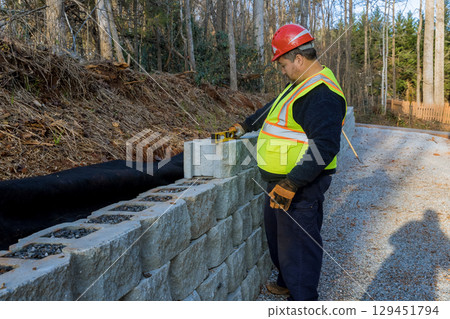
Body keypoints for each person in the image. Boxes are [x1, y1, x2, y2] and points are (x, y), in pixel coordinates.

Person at [229, 24, 347, 301]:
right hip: (281, 183)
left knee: (300, 245)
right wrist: (246, 125)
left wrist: (293, 182)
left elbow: (325, 146)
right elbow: (274, 107)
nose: (281, 70)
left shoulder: (322, 94)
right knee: (280, 240)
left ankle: (302, 300)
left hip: (301, 185)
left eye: (282, 64)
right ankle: (286, 281)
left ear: (298, 58)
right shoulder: (299, 85)